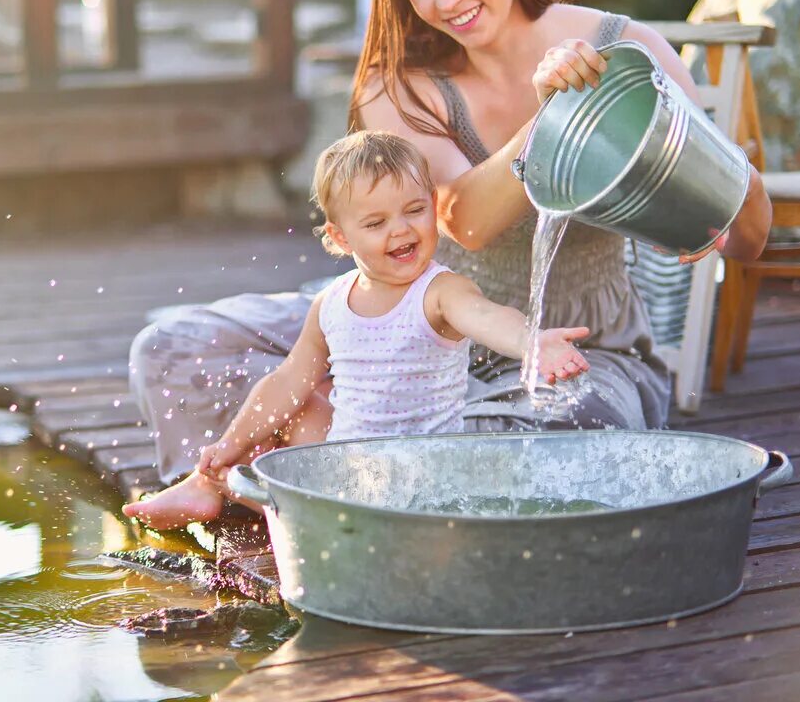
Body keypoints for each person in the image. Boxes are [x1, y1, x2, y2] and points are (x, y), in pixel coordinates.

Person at [127, 0, 772, 495]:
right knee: (174, 348)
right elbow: (464, 220)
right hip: (410, 323)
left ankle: (331, 462)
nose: (449, 0)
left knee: (553, 434)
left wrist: (705, 194)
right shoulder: (397, 86)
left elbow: (747, 234)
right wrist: (551, 123)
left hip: (573, 346)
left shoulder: (621, 48)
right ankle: (224, 482)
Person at [123, 130, 590, 528]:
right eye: (376, 222)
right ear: (340, 237)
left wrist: (533, 343)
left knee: (307, 459)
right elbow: (288, 380)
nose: (401, 230)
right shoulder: (331, 303)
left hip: (422, 477)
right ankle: (213, 479)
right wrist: (229, 443)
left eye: (414, 210)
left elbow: (486, 316)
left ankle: (242, 492)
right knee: (296, 401)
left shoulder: (440, 291)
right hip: (346, 464)